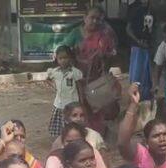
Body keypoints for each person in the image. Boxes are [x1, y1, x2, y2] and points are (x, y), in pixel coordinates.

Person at [61, 5, 119, 134]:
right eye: (92, 17)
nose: (95, 21)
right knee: (80, 106)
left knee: (97, 106)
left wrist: (104, 56)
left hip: (97, 79)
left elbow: (112, 54)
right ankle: (79, 132)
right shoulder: (76, 33)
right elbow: (63, 51)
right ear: (84, 18)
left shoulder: (105, 35)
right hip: (78, 78)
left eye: (98, 19)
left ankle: (97, 133)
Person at [44, 121, 109, 168]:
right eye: (69, 141)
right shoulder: (55, 158)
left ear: (84, 140)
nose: (73, 145)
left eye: (78, 140)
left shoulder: (93, 152)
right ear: (62, 142)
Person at [46, 45, 83, 138]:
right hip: (59, 104)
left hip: (71, 103)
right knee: (60, 126)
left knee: (72, 123)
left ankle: (73, 137)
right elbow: (48, 79)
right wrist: (55, 88)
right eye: (60, 58)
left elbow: (79, 87)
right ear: (57, 59)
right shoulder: (54, 72)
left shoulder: (75, 72)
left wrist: (81, 102)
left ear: (70, 58)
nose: (63, 60)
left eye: (65, 57)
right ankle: (61, 139)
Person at [126, 0, 155, 102]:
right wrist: (138, 41)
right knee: (137, 75)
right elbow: (128, 29)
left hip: (148, 46)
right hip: (138, 47)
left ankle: (145, 99)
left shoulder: (152, 9)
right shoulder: (134, 8)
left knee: (147, 75)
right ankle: (134, 100)